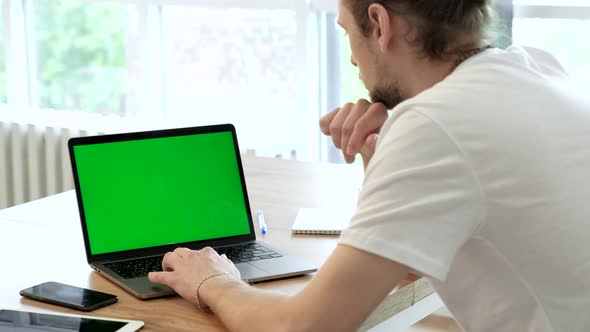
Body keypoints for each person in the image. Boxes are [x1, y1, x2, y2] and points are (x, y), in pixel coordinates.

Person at [148, 0, 590, 331]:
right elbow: (408, 266)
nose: (354, 59)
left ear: (379, 24)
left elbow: (301, 327)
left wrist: (212, 280)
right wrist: (378, 150)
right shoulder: (533, 68)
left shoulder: (434, 123)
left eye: (346, 33)